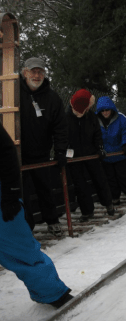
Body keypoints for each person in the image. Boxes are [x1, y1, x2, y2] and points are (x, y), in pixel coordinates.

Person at [0, 124, 73, 308]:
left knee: (20, 249)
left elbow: (7, 152)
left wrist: (11, 194)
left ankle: (52, 293)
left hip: (1, 199)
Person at [20, 57, 67, 236]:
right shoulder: (13, 93)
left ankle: (52, 220)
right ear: (25, 72)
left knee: (45, 189)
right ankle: (26, 227)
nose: (37, 75)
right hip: (18, 154)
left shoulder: (52, 98)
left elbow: (60, 127)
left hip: (41, 153)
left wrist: (60, 150)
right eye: (33, 71)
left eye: (40, 71)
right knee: (21, 193)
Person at [66, 89, 115, 222]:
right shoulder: (66, 118)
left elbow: (97, 134)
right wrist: (63, 152)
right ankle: (87, 211)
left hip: (91, 153)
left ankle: (108, 203)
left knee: (100, 179)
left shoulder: (91, 117)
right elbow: (62, 136)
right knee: (79, 184)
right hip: (74, 156)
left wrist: (100, 148)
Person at [96, 96, 126, 205]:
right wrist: (98, 149)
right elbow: (94, 136)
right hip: (106, 156)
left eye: (107, 110)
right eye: (102, 110)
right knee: (110, 179)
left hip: (121, 154)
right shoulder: (95, 121)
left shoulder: (121, 118)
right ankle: (115, 197)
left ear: (111, 109)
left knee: (124, 176)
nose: (105, 113)